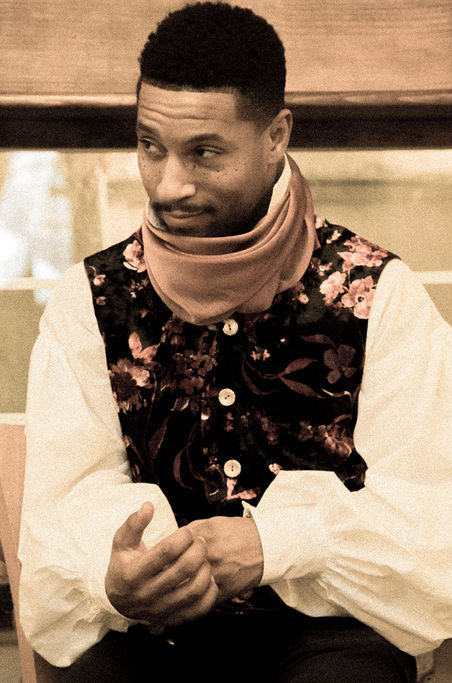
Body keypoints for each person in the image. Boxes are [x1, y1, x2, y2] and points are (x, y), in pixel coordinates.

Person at [18, 2, 452, 681]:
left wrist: (281, 542)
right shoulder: (89, 298)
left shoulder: (381, 295)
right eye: (150, 146)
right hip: (143, 644)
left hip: (328, 642)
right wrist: (111, 576)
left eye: (205, 152)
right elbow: (56, 527)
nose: (169, 184)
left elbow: (435, 534)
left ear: (276, 136)